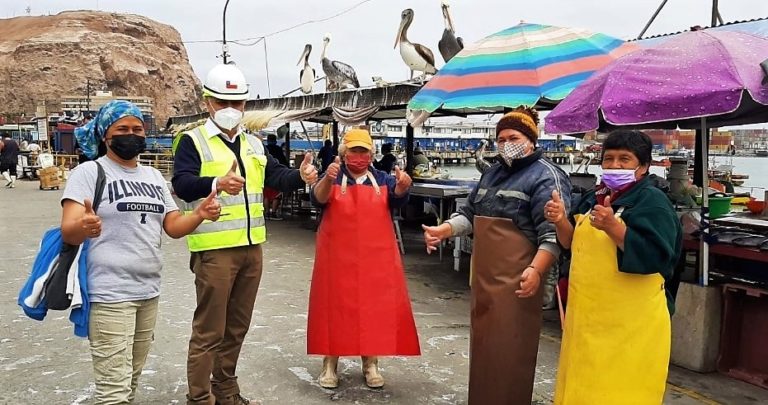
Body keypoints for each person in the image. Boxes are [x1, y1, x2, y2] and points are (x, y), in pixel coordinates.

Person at [172, 63, 318, 405]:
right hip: (215, 250)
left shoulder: (254, 144)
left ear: (245, 105)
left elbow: (276, 177)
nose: (230, 110)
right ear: (208, 102)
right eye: (222, 102)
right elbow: (181, 183)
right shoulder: (192, 141)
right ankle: (199, 397)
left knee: (237, 327)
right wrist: (215, 184)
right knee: (210, 330)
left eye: (236, 103)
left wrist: (302, 175)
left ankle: (226, 390)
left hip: (252, 249)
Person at [64, 100, 222, 404]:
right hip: (109, 293)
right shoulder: (89, 173)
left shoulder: (152, 177)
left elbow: (172, 225)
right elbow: (69, 229)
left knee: (131, 378)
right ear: (104, 135)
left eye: (137, 129)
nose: (132, 134)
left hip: (148, 291)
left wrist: (199, 214)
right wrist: (84, 225)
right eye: (122, 129)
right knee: (114, 389)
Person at [421, 106, 571, 405]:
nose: (505, 144)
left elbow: (551, 236)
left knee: (510, 354)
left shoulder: (547, 177)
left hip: (519, 281)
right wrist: (445, 230)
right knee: (484, 352)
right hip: (485, 280)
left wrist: (537, 270)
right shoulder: (492, 173)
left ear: (531, 139)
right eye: (500, 139)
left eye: (512, 137)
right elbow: (470, 213)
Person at [544, 130, 682, 404]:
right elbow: (570, 242)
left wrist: (613, 227)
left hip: (630, 327)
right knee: (581, 389)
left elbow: (657, 257)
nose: (614, 165)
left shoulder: (653, 202)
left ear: (643, 166)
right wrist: (560, 220)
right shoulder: (594, 196)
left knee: (619, 392)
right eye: (608, 159)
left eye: (624, 159)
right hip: (587, 321)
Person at [308, 128, 420, 389]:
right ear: (344, 153)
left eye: (364, 151)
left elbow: (398, 200)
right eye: (354, 151)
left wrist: (403, 187)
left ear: (371, 153)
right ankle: (329, 363)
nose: (359, 156)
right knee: (333, 306)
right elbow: (318, 199)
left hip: (375, 257)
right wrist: (326, 179)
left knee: (373, 308)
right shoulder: (333, 176)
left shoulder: (382, 178)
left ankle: (370, 363)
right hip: (336, 255)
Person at [264, 134, 289, 220]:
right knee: (276, 195)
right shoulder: (278, 149)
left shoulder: (264, 148)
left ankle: (267, 212)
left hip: (265, 175)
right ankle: (273, 213)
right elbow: (283, 161)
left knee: (266, 195)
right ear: (275, 140)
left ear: (267, 140)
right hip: (275, 175)